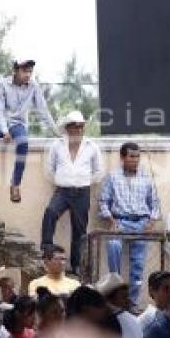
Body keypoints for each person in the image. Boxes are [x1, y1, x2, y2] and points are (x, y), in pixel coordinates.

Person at [0, 58, 59, 203]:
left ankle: (15, 184)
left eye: (30, 71)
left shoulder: (33, 86)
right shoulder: (3, 84)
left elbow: (43, 110)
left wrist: (56, 131)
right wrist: (4, 131)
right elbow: (0, 109)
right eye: (24, 71)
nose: (28, 74)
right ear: (15, 71)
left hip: (17, 123)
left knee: (23, 142)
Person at [98, 142, 160, 305]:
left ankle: (132, 301)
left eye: (138, 156)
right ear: (122, 157)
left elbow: (154, 202)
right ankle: (116, 292)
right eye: (132, 156)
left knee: (138, 264)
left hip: (141, 223)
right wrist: (111, 220)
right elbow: (103, 202)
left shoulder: (147, 177)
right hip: (120, 221)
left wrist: (151, 222)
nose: (135, 160)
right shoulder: (112, 176)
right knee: (113, 246)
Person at [40, 111, 103, 273]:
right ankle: (46, 248)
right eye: (75, 126)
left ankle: (76, 265)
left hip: (82, 192)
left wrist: (84, 181)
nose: (78, 129)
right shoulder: (57, 145)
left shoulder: (92, 146)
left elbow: (98, 171)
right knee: (50, 212)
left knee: (79, 230)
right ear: (67, 128)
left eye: (81, 126)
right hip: (62, 191)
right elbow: (49, 169)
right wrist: (62, 180)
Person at [95, 273, 143, 338]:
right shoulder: (132, 319)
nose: (128, 300)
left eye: (126, 296)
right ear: (109, 300)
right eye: (123, 297)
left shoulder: (110, 321)